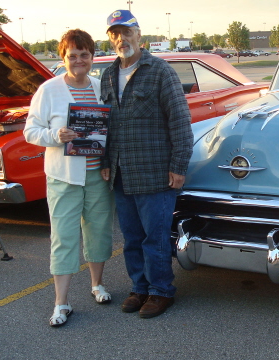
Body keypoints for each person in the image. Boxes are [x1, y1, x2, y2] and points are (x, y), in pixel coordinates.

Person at [100, 9, 193, 319]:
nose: (120, 38)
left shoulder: (160, 71)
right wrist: (104, 161)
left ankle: (161, 291)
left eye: (126, 31)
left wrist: (179, 166)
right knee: (131, 238)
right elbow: (105, 126)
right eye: (114, 33)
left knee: (154, 237)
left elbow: (180, 121)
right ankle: (139, 287)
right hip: (121, 173)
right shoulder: (109, 74)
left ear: (139, 34)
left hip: (155, 174)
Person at [24, 29, 115, 327]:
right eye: (72, 55)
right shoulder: (49, 90)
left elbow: (109, 132)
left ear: (92, 57)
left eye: (84, 55)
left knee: (99, 232)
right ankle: (61, 303)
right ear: (63, 57)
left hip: (97, 175)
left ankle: (97, 285)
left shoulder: (102, 87)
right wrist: (55, 135)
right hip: (64, 177)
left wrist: (106, 161)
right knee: (63, 238)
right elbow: (30, 131)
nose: (79, 60)